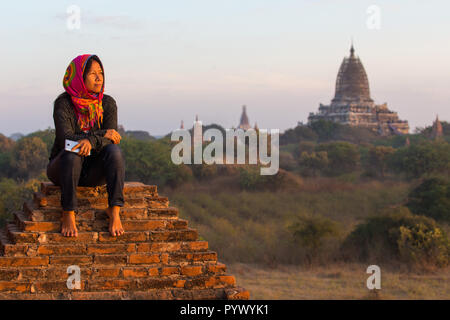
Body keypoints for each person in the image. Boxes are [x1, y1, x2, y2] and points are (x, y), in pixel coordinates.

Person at [47, 54, 125, 237]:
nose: (99, 78)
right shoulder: (63, 103)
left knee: (115, 151)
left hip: (94, 172)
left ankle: (114, 211)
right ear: (79, 78)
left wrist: (90, 140)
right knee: (73, 152)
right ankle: (68, 213)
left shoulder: (107, 103)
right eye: (92, 74)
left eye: (101, 73)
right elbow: (64, 138)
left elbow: (111, 138)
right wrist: (97, 135)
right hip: (64, 167)